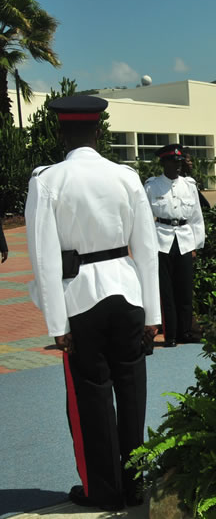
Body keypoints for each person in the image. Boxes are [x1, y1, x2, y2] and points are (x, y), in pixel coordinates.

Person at [25, 95, 160, 510]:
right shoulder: (125, 176)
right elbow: (147, 248)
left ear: (60, 131)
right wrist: (153, 314)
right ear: (99, 130)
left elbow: (44, 257)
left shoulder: (48, 180)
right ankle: (134, 483)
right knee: (132, 391)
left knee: (91, 398)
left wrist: (57, 324)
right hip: (128, 292)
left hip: (80, 298)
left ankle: (103, 490)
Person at [144, 144, 205, 348]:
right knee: (166, 291)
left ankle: (185, 332)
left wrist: (196, 244)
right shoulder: (152, 186)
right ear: (164, 163)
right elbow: (144, 219)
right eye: (173, 162)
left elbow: (196, 216)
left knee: (185, 289)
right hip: (161, 240)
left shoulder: (189, 185)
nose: (178, 166)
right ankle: (170, 334)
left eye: (179, 162)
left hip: (184, 240)